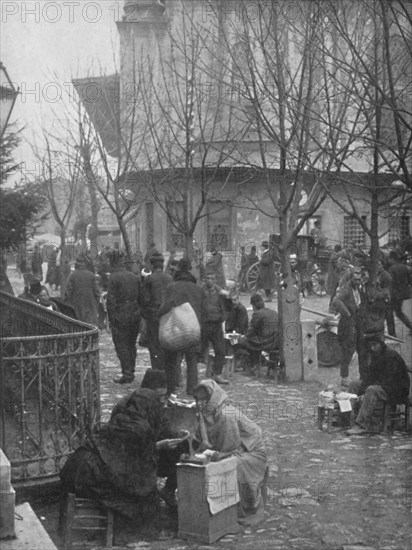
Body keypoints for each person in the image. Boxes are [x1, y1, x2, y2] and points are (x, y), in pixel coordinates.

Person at [60, 369, 190, 529]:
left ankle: (164, 494)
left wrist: (174, 436)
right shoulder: (137, 422)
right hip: (92, 473)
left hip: (83, 465)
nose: (162, 402)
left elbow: (157, 429)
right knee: (141, 494)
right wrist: (158, 447)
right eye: (160, 397)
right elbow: (130, 454)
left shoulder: (137, 407)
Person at [193, 379, 267, 525]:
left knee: (232, 465)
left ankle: (245, 507)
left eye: (204, 400)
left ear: (212, 398)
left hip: (251, 451)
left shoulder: (226, 413)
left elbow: (230, 445)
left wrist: (214, 454)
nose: (200, 404)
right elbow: (204, 439)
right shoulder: (204, 413)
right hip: (234, 448)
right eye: (197, 400)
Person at [158, 257, 207, 396]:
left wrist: (159, 315)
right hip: (194, 330)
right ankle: (192, 390)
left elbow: (165, 307)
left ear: (178, 269)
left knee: (171, 360)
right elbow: (205, 312)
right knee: (192, 362)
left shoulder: (172, 287)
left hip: (175, 330)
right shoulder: (198, 289)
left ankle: (171, 390)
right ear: (190, 271)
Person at [346, 335, 410, 435]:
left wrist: (367, 390)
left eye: (374, 345)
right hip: (384, 386)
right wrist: (362, 390)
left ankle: (361, 425)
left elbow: (389, 380)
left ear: (381, 344)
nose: (372, 348)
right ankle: (347, 418)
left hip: (397, 389)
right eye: (370, 345)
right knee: (354, 384)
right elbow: (370, 377)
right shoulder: (376, 355)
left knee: (372, 390)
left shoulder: (391, 355)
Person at [106, 250, 141, 384]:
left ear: (113, 263)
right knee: (131, 344)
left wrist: (111, 318)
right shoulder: (134, 277)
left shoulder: (114, 278)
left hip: (120, 316)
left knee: (121, 345)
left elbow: (111, 300)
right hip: (134, 315)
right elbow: (140, 297)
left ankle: (127, 373)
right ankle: (130, 370)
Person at [140, 253, 173, 371]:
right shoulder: (170, 278)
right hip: (168, 316)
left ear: (153, 266)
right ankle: (167, 370)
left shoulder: (149, 279)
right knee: (167, 343)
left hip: (153, 316)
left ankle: (156, 370)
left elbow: (145, 299)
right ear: (162, 265)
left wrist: (145, 315)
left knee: (154, 344)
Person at [199, 272, 230, 385]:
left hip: (216, 324)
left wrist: (227, 297)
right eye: (208, 278)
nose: (210, 280)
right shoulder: (200, 291)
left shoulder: (220, 292)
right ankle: (190, 373)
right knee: (198, 350)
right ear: (204, 279)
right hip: (204, 324)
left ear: (215, 280)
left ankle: (217, 374)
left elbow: (229, 306)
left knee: (220, 351)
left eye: (212, 278)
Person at [235, 293, 279, 373]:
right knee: (251, 341)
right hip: (275, 342)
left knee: (242, 342)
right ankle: (258, 362)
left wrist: (242, 337)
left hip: (265, 343)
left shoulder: (257, 314)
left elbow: (250, 333)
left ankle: (253, 363)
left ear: (254, 306)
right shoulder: (273, 312)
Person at [64, 257, 100, 325]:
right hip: (90, 305)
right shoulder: (91, 275)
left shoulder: (72, 276)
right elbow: (97, 292)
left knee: (78, 325)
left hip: (76, 305)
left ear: (76, 265)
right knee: (90, 325)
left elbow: (67, 293)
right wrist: (95, 304)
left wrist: (68, 305)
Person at [386, 251, 412, 335]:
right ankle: (410, 327)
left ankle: (392, 333)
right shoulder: (405, 267)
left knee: (389, 313)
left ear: (392, 258)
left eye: (389, 259)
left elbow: (390, 282)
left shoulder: (391, 269)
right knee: (399, 312)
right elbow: (410, 281)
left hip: (394, 294)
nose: (389, 260)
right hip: (402, 294)